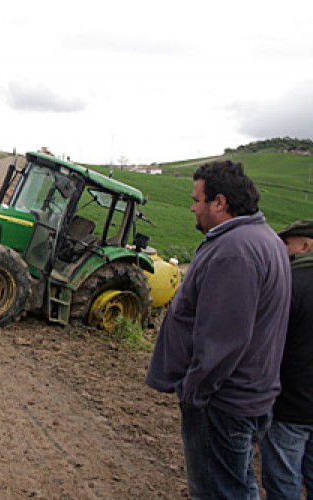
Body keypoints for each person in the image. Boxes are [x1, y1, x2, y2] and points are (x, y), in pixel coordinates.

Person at [145, 160, 291, 498]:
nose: (193, 208)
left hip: (222, 403)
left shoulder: (235, 251)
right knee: (237, 486)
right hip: (246, 394)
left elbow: (224, 339)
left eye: (197, 199)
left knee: (220, 492)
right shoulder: (263, 240)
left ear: (220, 202)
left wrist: (194, 392)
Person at [260, 219, 313, 500]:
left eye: (287, 245)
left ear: (306, 246)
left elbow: (268, 342)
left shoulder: (289, 285)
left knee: (283, 483)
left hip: (290, 405)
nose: (283, 251)